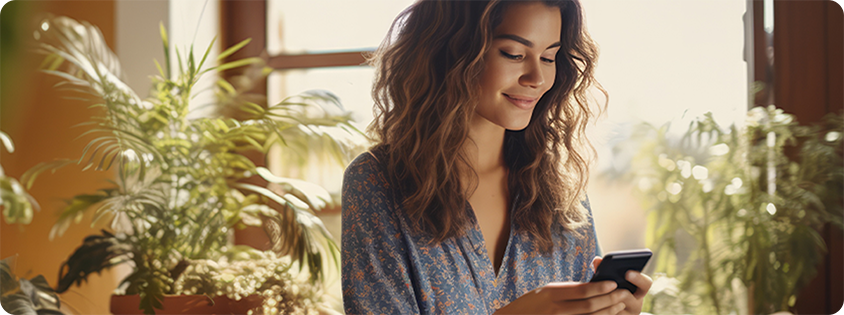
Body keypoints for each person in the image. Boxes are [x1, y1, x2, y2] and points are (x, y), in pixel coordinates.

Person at [341, 0, 653, 313]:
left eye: (549, 57)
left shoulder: (560, 191)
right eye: (514, 54)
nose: (537, 78)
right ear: (451, 51)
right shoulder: (378, 182)